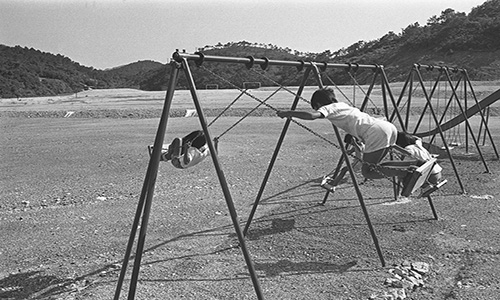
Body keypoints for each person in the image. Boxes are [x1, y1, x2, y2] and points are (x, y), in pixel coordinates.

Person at [277, 87, 413, 184]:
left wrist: (288, 113)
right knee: (375, 166)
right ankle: (413, 165)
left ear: (318, 104)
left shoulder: (328, 108)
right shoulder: (342, 105)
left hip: (374, 132)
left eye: (316, 107)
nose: (317, 109)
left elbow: (312, 116)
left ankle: (405, 172)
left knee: (367, 172)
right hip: (387, 127)